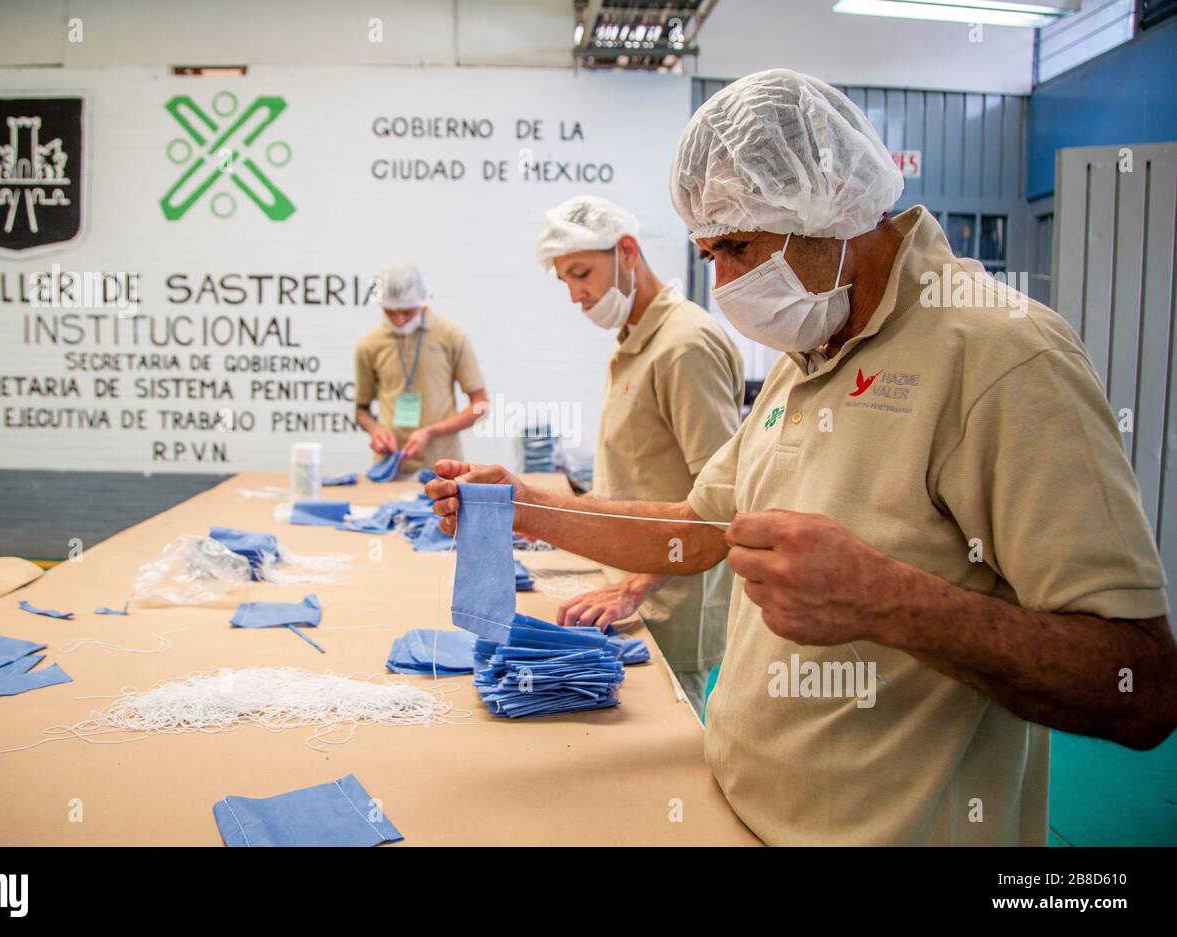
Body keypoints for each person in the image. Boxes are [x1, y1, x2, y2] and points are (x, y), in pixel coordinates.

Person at [427, 69, 1176, 845]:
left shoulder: (1002, 355)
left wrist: (890, 600)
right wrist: (527, 505)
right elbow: (698, 523)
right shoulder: (811, 349)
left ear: (832, 206)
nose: (721, 283)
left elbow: (1140, 683)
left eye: (738, 246)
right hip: (740, 812)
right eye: (708, 251)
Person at [535, 195, 744, 718]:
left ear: (627, 250)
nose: (576, 295)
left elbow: (726, 501)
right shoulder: (631, 339)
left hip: (670, 606)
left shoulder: (684, 345)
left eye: (581, 273)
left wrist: (638, 585)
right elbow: (642, 465)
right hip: (627, 592)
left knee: (666, 764)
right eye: (564, 281)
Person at [354, 260, 489, 474]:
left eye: (407, 312)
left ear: (422, 300)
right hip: (389, 469)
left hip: (443, 467)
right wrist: (375, 430)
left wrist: (432, 432)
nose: (398, 320)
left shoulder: (451, 336)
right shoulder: (369, 345)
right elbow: (361, 411)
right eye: (390, 311)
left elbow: (481, 406)